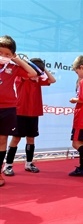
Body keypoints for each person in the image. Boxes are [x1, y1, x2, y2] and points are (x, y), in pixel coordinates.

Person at [2, 58, 56, 176]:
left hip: (33, 113)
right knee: (16, 139)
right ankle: (8, 165)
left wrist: (43, 69)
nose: (36, 75)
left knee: (31, 139)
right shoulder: (21, 78)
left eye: (38, 73)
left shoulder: (38, 80)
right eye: (35, 72)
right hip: (20, 113)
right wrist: (29, 66)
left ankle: (29, 163)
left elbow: (53, 80)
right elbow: (26, 72)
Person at [0, 35, 37, 187]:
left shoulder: (14, 67)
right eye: (1, 53)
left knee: (2, 140)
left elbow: (33, 74)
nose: (3, 56)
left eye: (7, 54)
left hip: (8, 108)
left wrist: (16, 60)